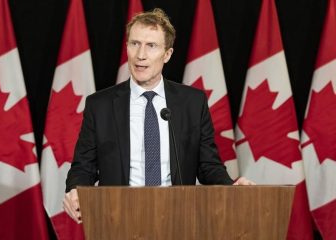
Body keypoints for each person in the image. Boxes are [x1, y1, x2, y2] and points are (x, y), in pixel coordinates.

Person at [63, 8, 254, 224]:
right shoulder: (100, 105)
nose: (140, 55)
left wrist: (231, 187)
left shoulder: (192, 102)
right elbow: (83, 166)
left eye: (151, 46)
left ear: (167, 54)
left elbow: (208, 165)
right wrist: (74, 191)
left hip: (177, 219)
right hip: (117, 218)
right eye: (134, 44)